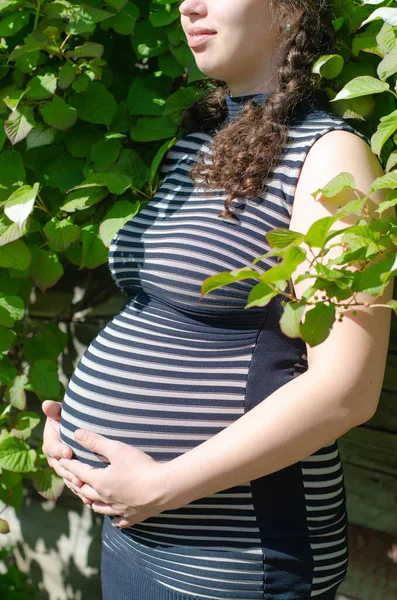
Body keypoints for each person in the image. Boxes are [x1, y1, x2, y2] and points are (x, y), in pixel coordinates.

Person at [42, 1, 394, 599]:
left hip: (236, 556)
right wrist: (78, 443)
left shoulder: (334, 158)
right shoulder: (199, 145)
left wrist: (167, 482)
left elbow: (348, 390)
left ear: (290, 10)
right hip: (136, 533)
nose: (188, 3)